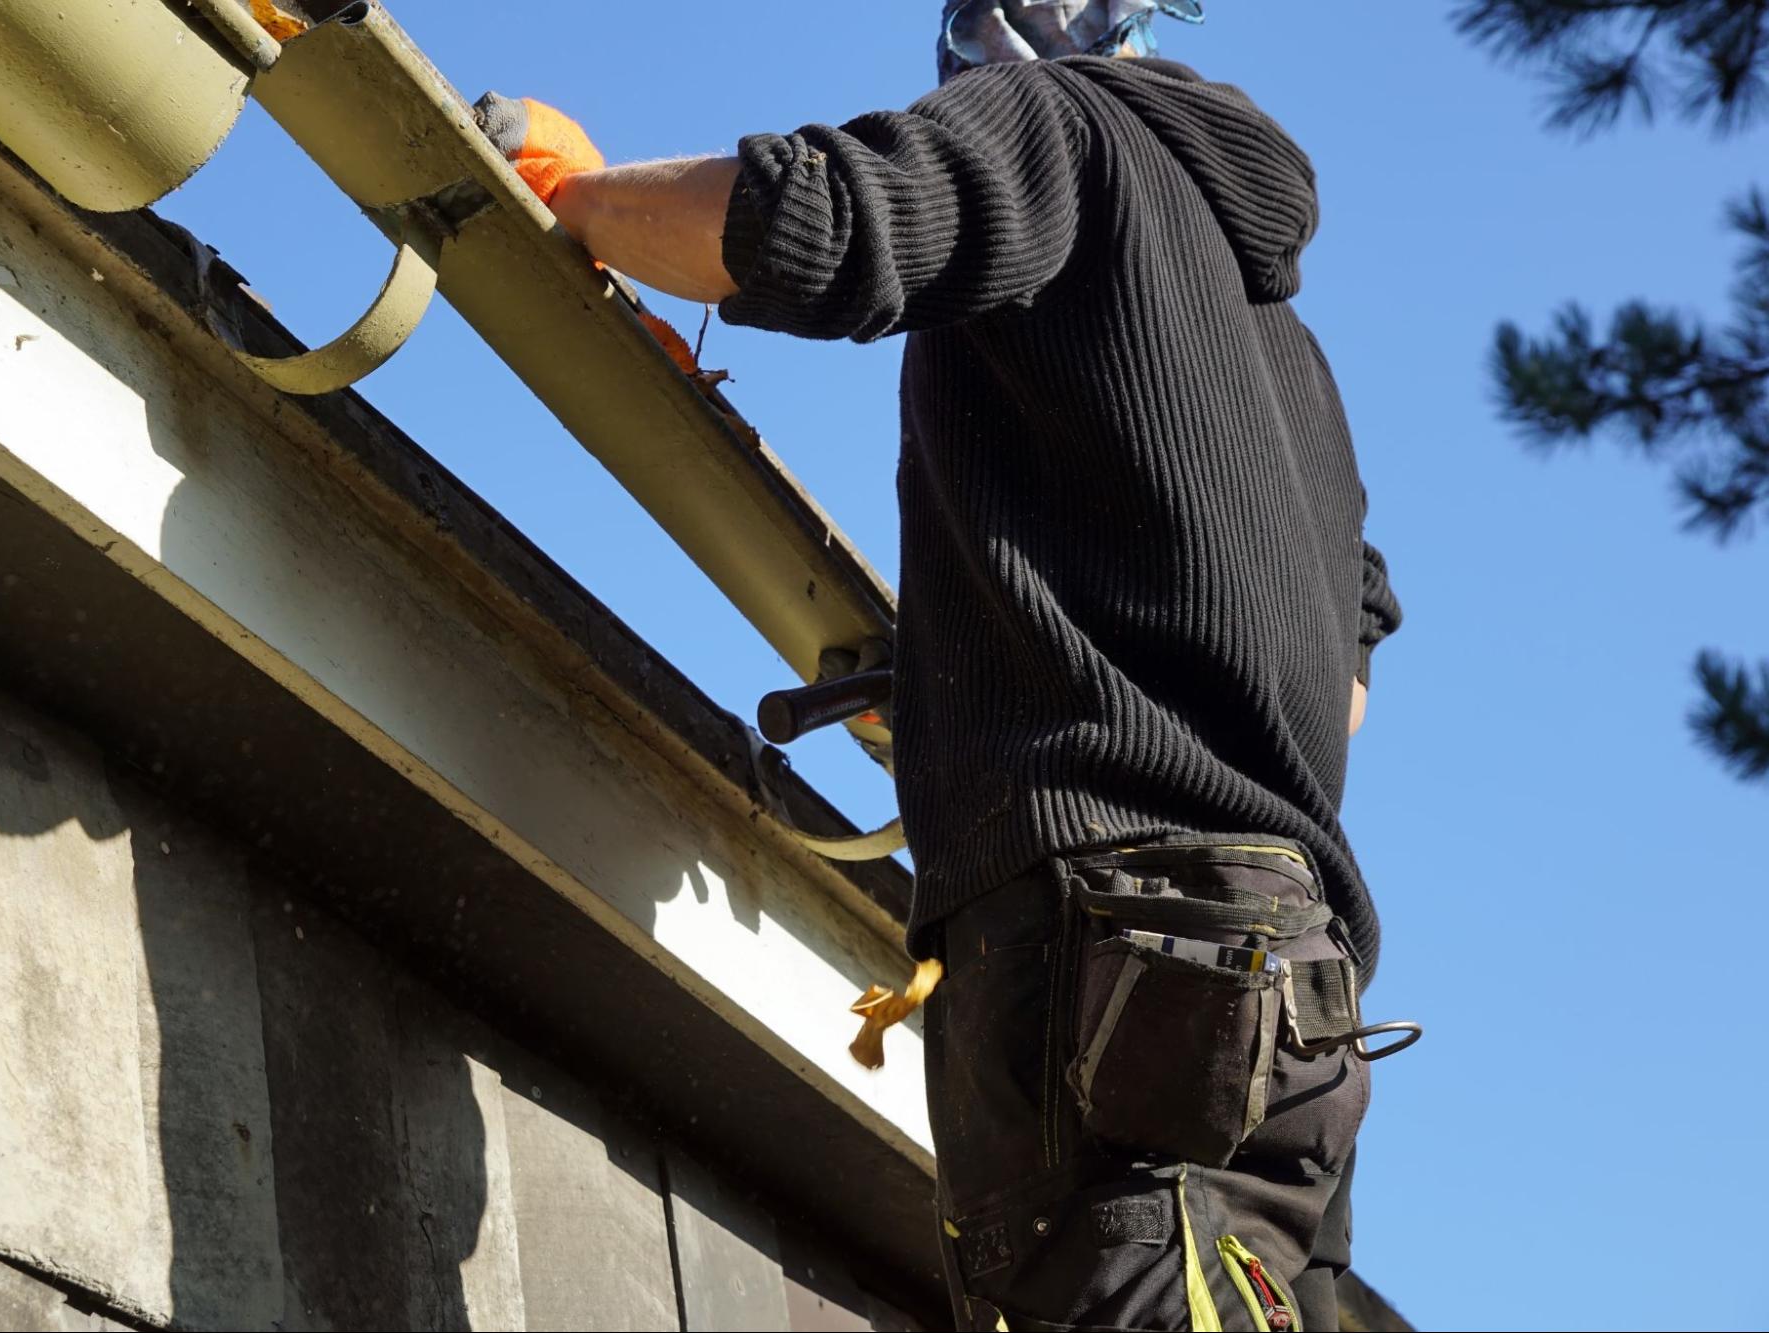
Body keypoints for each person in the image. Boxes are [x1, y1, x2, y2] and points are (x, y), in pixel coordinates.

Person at [478, 1, 1406, 1326]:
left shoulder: (1064, 123)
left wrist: (577, 192)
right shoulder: (1290, 353)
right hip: (1300, 988)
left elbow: (806, 224)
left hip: (1114, 934)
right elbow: (1348, 675)